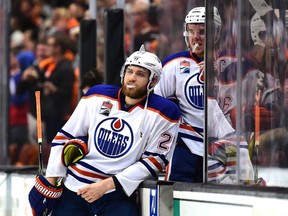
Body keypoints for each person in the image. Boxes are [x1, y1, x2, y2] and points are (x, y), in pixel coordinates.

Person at [28, 45, 181, 216]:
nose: (132, 78)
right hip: (74, 188)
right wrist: (52, 179)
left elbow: (156, 159)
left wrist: (105, 186)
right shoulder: (97, 95)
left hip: (115, 194)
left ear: (153, 81)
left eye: (140, 74)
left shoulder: (165, 112)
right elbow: (65, 136)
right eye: (130, 71)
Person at [154, 7, 235, 183]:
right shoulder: (173, 64)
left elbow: (235, 107)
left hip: (222, 146)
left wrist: (217, 80)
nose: (195, 37)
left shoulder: (231, 65)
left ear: (216, 33)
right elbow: (155, 105)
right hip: (185, 144)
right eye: (191, 31)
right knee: (175, 191)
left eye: (202, 32)